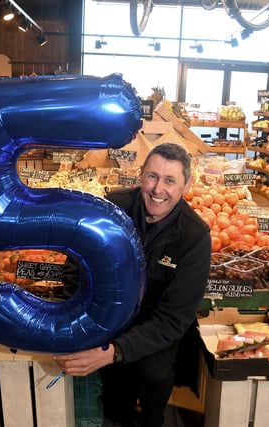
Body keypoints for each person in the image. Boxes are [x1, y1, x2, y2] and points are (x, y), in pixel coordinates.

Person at [54, 142, 211, 427]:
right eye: (152, 176)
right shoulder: (113, 208)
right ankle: (117, 413)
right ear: (141, 175)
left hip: (157, 327)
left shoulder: (194, 236)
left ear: (186, 185)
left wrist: (113, 352)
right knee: (115, 396)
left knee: (153, 375)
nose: (157, 189)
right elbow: (75, 264)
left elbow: (173, 318)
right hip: (108, 317)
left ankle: (152, 418)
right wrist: (74, 322)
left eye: (170, 180)